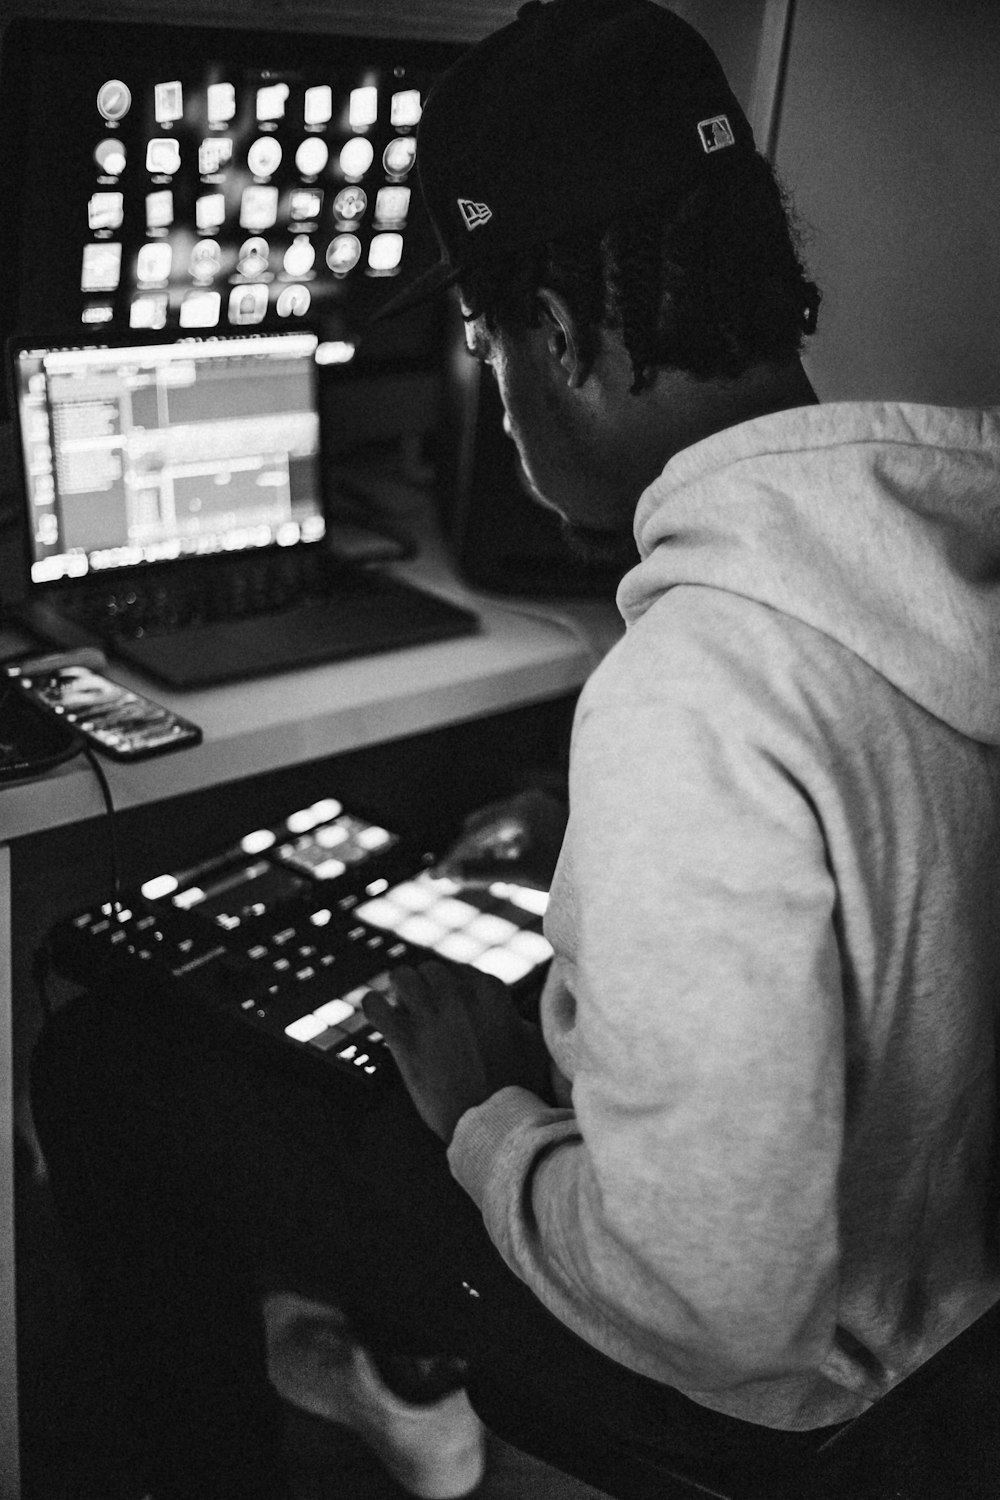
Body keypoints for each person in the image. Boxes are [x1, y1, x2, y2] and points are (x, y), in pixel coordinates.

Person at [30, 1, 1000, 1497]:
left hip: (780, 1399)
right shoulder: (935, 551)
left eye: (480, 341)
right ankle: (396, 1369)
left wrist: (485, 1117)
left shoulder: (697, 690)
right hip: (953, 1315)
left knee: (110, 1065)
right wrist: (600, 843)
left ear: (554, 337)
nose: (492, 384)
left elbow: (721, 1307)